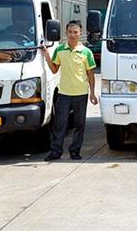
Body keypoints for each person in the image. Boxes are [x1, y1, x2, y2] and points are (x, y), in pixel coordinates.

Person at [42, 20, 98, 161]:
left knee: (79, 125)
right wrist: (47, 56)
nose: (72, 35)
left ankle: (75, 151)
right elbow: (54, 69)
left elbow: (90, 74)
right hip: (64, 94)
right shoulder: (60, 50)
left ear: (80, 34)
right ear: (65, 33)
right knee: (60, 125)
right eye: (70, 32)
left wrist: (92, 92)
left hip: (81, 94)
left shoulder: (86, 52)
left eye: (75, 32)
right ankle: (56, 152)